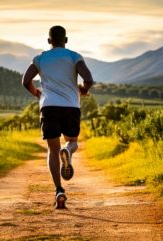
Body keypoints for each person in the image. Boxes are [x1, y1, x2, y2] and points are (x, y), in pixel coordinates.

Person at [22, 25, 94, 209]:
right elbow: (88, 78)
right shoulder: (74, 56)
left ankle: (59, 191)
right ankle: (68, 151)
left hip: (49, 106)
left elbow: (25, 80)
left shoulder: (40, 58)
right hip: (71, 106)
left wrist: (37, 93)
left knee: (52, 150)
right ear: (66, 40)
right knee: (73, 141)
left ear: (49, 41)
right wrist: (84, 90)